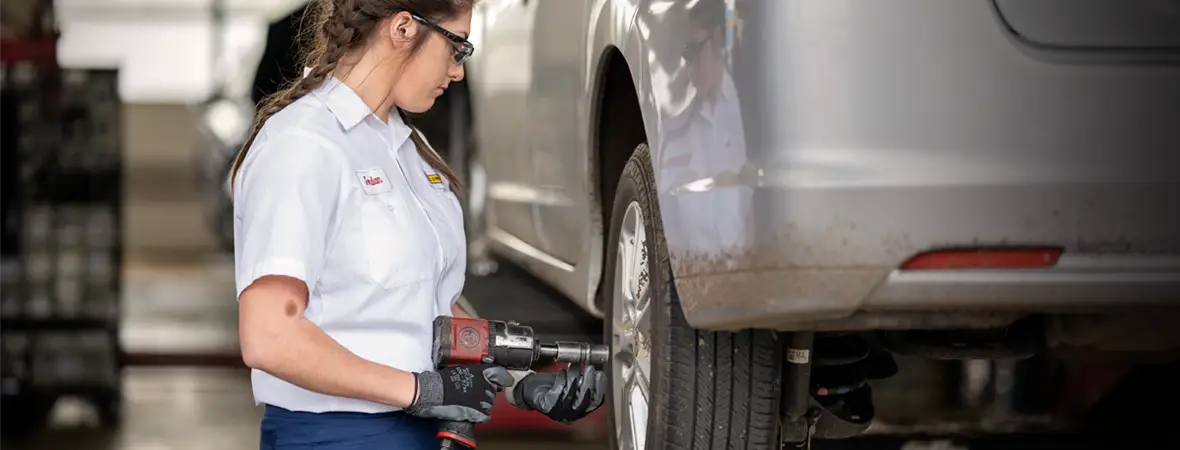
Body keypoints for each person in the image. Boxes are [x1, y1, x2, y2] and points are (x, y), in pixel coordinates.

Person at [227, 1, 606, 448]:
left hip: (422, 430)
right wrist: (419, 391)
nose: (459, 71)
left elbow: (428, 307)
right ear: (403, 28)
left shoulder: (407, 146)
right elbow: (270, 337)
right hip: (336, 436)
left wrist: (520, 382)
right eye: (457, 47)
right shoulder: (303, 146)